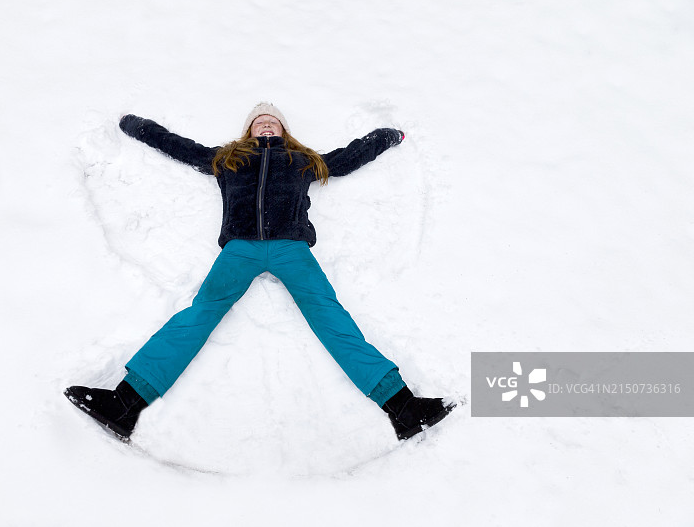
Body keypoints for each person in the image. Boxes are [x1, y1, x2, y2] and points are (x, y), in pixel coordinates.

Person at [65, 102, 454, 443]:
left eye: (273, 122)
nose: (266, 126)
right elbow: (176, 145)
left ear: (283, 129)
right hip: (241, 250)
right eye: (259, 122)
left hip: (291, 249)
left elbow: (350, 157)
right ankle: (125, 403)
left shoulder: (302, 160)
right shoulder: (227, 159)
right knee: (199, 314)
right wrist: (136, 126)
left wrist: (386, 136)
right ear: (249, 129)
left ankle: (403, 407)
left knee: (330, 317)